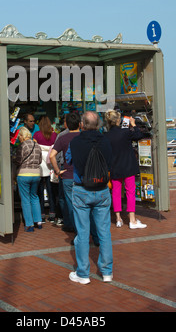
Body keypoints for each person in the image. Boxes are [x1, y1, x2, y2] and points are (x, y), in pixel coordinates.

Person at [66, 111, 113, 285]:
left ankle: (83, 273)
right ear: (99, 125)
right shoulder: (105, 141)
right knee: (104, 232)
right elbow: (110, 162)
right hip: (102, 190)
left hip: (82, 189)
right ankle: (107, 271)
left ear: (82, 124)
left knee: (83, 233)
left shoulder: (75, 142)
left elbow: (68, 160)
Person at [105, 109, 147, 229]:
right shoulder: (125, 132)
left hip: (114, 167)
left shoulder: (106, 136)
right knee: (130, 192)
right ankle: (132, 220)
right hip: (128, 166)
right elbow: (139, 135)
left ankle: (118, 218)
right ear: (119, 120)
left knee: (116, 193)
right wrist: (133, 124)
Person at [50, 112, 81, 232]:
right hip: (82, 175)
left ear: (66, 124)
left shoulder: (62, 138)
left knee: (70, 204)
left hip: (67, 175)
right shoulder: (83, 136)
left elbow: (52, 156)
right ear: (80, 123)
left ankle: (72, 226)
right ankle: (82, 228)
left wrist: (57, 171)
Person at [15, 126, 43, 232]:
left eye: (19, 137)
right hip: (36, 175)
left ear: (22, 136)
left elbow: (18, 160)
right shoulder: (37, 145)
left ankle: (29, 224)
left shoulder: (22, 146)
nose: (19, 139)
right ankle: (38, 221)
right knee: (34, 197)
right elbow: (40, 161)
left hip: (24, 175)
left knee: (25, 199)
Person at [33, 115, 57, 223]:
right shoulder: (54, 135)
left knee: (40, 191)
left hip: (40, 166)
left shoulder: (36, 135)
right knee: (51, 191)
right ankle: (52, 214)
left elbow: (33, 148)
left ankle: (41, 214)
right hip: (51, 165)